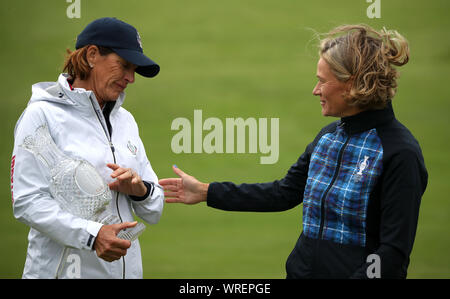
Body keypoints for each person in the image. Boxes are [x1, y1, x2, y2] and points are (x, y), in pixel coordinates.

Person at [159, 24, 428, 279]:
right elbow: (283, 193)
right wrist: (207, 192)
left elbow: (392, 255)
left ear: (353, 83)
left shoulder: (399, 154)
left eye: (323, 81)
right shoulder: (327, 138)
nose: (315, 90)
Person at [11, 17, 164, 278]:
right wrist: (92, 236)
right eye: (124, 65)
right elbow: (28, 201)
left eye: (134, 70)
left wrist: (139, 189)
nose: (131, 78)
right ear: (92, 55)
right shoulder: (42, 115)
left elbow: (155, 208)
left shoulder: (125, 120)